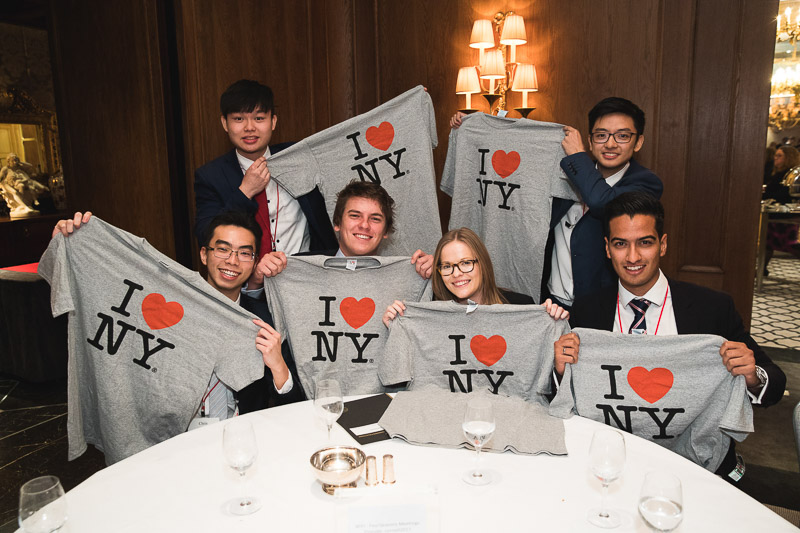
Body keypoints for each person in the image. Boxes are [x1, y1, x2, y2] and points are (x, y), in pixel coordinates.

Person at [554, 191, 786, 483]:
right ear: (607, 249)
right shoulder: (587, 310)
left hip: (694, 469)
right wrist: (561, 370)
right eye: (621, 244)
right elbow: (564, 396)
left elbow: (775, 385)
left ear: (662, 245)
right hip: (611, 464)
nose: (633, 257)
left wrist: (752, 376)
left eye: (645, 243)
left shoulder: (712, 308)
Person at [52, 210, 301, 422]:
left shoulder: (263, 319)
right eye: (223, 249)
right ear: (204, 254)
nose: (233, 261)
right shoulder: (164, 306)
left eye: (244, 253)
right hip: (168, 438)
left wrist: (278, 366)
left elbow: (293, 405)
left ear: (255, 260)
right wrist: (69, 246)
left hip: (239, 436)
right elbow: (97, 293)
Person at [450, 97, 663, 311]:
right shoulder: (564, 171)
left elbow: (604, 203)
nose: (610, 144)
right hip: (550, 302)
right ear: (589, 141)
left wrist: (578, 156)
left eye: (623, 136)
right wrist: (474, 128)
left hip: (602, 308)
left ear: (638, 142)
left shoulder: (645, 183)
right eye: (601, 135)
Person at [193, 79, 337, 264]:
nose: (249, 127)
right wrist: (245, 192)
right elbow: (207, 236)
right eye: (238, 119)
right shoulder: (210, 176)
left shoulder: (300, 158)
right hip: (250, 283)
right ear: (225, 123)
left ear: (273, 121)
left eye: (259, 118)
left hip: (308, 274)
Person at [246, 180, 434, 289]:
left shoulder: (404, 278)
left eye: (375, 219)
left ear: (386, 231)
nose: (364, 225)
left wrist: (438, 275)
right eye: (355, 216)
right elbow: (260, 315)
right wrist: (256, 280)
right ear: (337, 223)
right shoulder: (296, 267)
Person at [382, 227, 569, 325]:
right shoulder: (431, 315)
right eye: (447, 266)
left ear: (483, 264)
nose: (456, 274)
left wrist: (552, 322)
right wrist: (397, 328)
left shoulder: (521, 307)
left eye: (465, 263)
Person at [762, 145, 800, 275]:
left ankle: (762, 270)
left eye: (779, 156)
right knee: (767, 243)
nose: (775, 158)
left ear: (788, 158)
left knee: (789, 245)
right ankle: (762, 269)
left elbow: (784, 194)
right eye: (775, 155)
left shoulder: (789, 176)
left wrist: (764, 194)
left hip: (784, 215)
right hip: (775, 214)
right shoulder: (779, 173)